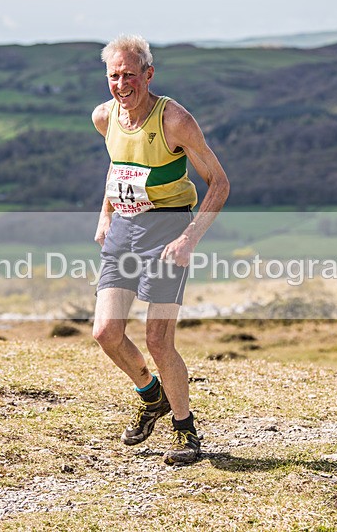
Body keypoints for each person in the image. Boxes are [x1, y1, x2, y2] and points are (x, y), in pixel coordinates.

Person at [90, 35, 229, 465]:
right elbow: (118, 165)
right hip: (123, 229)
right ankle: (152, 396)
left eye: (130, 75)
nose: (122, 84)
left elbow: (219, 183)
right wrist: (105, 215)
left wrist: (189, 238)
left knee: (158, 339)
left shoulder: (175, 120)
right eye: (114, 75)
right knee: (105, 332)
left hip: (167, 230)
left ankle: (186, 431)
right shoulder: (104, 117)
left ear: (149, 74)